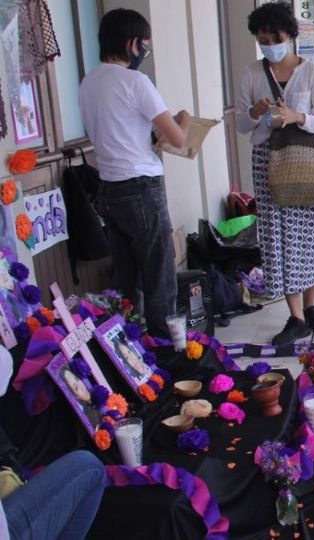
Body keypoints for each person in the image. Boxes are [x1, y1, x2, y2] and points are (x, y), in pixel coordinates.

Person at [78, 9, 191, 338]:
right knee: (159, 274)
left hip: (109, 189)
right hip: (142, 187)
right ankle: (166, 350)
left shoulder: (88, 83)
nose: (145, 52)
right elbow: (178, 138)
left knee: (126, 277)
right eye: (145, 45)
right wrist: (183, 117)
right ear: (132, 43)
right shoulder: (136, 81)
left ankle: (126, 346)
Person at [236, 3, 314, 345]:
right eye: (262, 39)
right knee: (277, 237)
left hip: (305, 159)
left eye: (275, 37)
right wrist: (255, 111)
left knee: (308, 236)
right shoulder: (251, 73)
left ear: (291, 36)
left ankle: (311, 308)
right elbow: (240, 124)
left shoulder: (312, 73)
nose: (269, 45)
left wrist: (296, 116)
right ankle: (294, 317)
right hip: (268, 160)